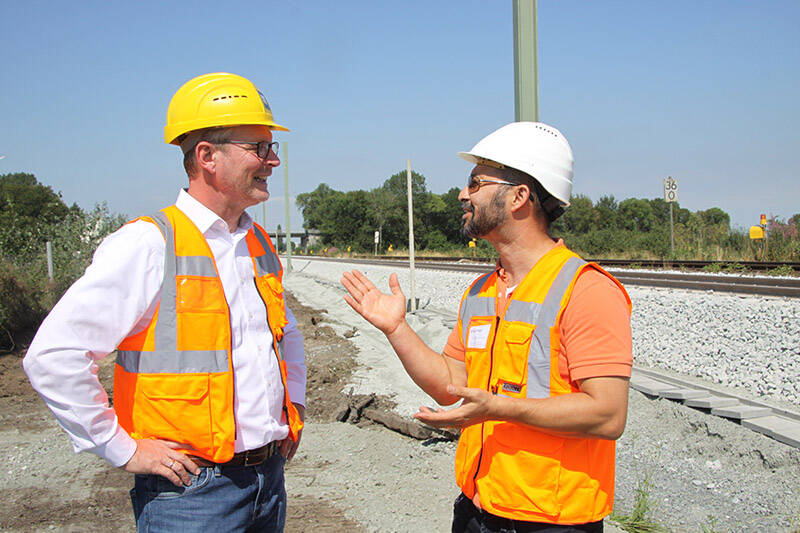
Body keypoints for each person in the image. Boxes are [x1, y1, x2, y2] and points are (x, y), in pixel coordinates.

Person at [23, 72, 305, 532]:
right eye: (259, 148)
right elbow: (53, 355)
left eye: (272, 148)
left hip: (268, 480)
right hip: (191, 493)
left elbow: (284, 336)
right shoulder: (149, 244)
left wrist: (295, 405)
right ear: (207, 156)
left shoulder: (254, 241)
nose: (273, 161)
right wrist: (122, 448)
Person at [341, 122, 632, 532]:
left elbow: (607, 414)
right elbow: (452, 385)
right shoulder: (481, 291)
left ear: (519, 197)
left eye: (476, 183)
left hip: (552, 520)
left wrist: (498, 408)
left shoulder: (586, 291)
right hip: (478, 510)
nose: (463, 194)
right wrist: (397, 329)